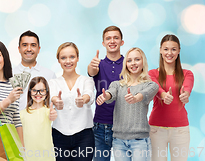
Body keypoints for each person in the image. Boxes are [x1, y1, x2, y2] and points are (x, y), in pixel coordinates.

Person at [96, 47, 159, 161]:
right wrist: (105, 96)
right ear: (125, 64)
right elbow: (111, 93)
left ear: (143, 62)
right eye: (129, 60)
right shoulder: (117, 85)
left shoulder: (150, 85)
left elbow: (144, 94)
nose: (133, 63)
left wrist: (136, 98)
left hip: (140, 141)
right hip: (119, 141)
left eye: (137, 59)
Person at [148, 34, 194, 161]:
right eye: (166, 49)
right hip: (156, 129)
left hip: (180, 130)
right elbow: (155, 87)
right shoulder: (152, 74)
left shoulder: (187, 74)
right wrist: (163, 95)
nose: (169, 53)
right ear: (160, 50)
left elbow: (187, 86)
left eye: (173, 49)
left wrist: (186, 95)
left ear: (179, 51)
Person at [49, 42, 95, 161]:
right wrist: (55, 101)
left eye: (72, 57)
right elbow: (52, 96)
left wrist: (83, 100)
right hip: (59, 135)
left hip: (84, 135)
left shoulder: (87, 80)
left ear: (78, 58)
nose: (68, 61)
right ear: (58, 60)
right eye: (63, 58)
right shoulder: (53, 83)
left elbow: (89, 95)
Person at [87, 25, 125, 161]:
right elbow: (91, 71)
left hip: (124, 125)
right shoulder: (98, 64)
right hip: (100, 126)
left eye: (116, 38)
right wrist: (91, 66)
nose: (112, 41)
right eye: (108, 38)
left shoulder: (129, 64)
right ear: (103, 43)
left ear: (122, 42)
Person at [14, 30, 56, 111]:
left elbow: (53, 105)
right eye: (25, 45)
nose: (29, 49)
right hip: (15, 123)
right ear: (19, 49)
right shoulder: (9, 74)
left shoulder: (50, 75)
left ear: (39, 49)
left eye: (33, 45)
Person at [20, 76, 57, 161]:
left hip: (46, 157)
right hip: (28, 157)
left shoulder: (49, 112)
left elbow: (53, 116)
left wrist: (53, 114)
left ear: (47, 93)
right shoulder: (22, 114)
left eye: (42, 91)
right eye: (34, 90)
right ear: (29, 92)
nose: (38, 94)